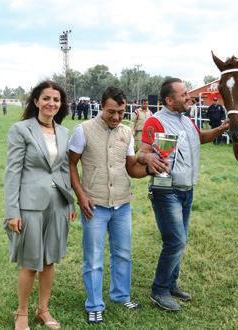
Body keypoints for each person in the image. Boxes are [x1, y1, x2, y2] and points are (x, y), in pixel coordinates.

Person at [137, 77, 228, 311]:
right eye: (184, 93)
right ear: (169, 100)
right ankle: (159, 290)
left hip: (187, 190)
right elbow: (142, 151)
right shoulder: (156, 122)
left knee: (181, 240)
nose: (189, 96)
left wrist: (222, 128)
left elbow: (200, 138)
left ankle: (171, 284)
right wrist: (147, 158)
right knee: (175, 240)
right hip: (166, 190)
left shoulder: (187, 120)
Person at [69, 86, 149, 324]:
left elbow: (131, 167)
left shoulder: (126, 132)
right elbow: (71, 165)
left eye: (121, 112)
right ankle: (94, 304)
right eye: (111, 111)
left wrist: (149, 169)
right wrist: (81, 196)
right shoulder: (82, 130)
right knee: (93, 258)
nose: (116, 117)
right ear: (101, 106)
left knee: (123, 253)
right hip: (93, 205)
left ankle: (120, 295)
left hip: (122, 205)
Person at [3, 80, 76, 330]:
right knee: (30, 262)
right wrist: (12, 211)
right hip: (29, 206)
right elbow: (13, 173)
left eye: (56, 99)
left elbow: (65, 171)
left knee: (49, 261)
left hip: (57, 205)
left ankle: (42, 309)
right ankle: (21, 312)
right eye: (46, 98)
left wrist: (70, 203)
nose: (51, 103)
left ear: (61, 104)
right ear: (36, 101)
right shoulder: (21, 129)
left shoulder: (64, 133)